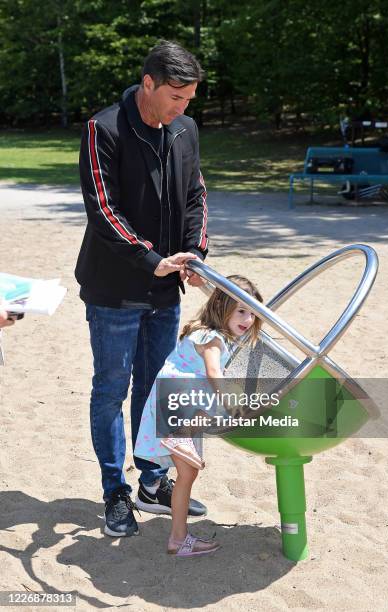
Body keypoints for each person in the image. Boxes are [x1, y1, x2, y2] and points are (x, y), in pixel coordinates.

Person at [75, 40, 209, 537]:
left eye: (190, 99)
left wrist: (194, 253)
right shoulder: (102, 129)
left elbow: (196, 194)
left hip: (164, 288)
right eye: (176, 97)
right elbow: (104, 210)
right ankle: (116, 491)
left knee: (157, 388)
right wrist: (151, 260)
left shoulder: (185, 129)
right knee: (112, 389)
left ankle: (154, 479)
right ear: (148, 84)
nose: (183, 108)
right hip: (114, 287)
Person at [135, 276, 263, 556]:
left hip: (176, 400)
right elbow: (213, 373)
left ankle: (177, 539)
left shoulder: (208, 332)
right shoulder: (214, 338)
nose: (248, 318)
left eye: (252, 312)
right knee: (225, 399)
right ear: (223, 306)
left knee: (188, 474)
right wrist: (234, 406)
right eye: (241, 310)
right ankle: (179, 436)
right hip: (180, 402)